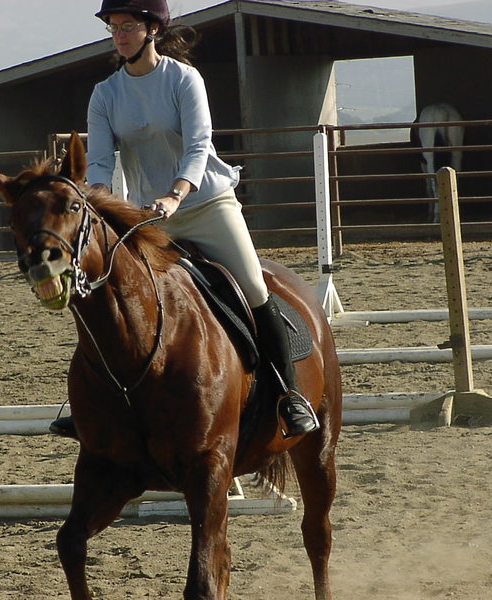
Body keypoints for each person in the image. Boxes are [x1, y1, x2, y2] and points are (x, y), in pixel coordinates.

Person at [50, 0, 319, 439]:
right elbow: (98, 161)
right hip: (147, 216)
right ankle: (96, 406)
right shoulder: (106, 93)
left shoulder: (183, 79)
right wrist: (102, 202)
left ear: (152, 30)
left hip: (206, 204)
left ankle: (289, 395)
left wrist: (176, 194)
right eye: (113, 27)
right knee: (113, 297)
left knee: (253, 287)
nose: (119, 35)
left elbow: (198, 146)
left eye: (128, 26)